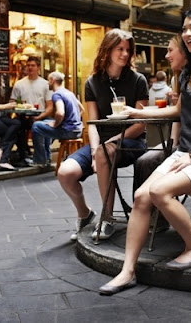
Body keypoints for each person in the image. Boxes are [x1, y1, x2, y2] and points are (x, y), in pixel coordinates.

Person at [98, 7, 191, 295]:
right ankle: (127, 271)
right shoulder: (188, 70)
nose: (187, 34)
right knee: (142, 195)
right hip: (186, 153)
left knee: (159, 192)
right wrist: (134, 112)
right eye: (185, 28)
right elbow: (178, 110)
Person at [57, 29, 149, 241]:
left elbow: (140, 125)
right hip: (101, 143)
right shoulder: (92, 82)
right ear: (107, 51)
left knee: (103, 153)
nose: (125, 54)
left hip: (131, 141)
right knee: (65, 173)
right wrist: (94, 149)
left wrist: (106, 145)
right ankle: (85, 214)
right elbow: (93, 123)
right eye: (120, 49)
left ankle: (107, 219)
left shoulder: (138, 80)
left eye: (128, 50)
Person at [133, 37, 187, 195]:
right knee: (142, 162)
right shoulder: (176, 79)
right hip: (179, 139)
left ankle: (152, 213)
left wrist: (138, 112)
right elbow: (176, 113)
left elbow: (178, 112)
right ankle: (146, 210)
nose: (166, 55)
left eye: (170, 50)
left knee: (145, 161)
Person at [30, 71, 83, 167]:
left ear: (53, 81)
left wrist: (56, 124)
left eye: (48, 80)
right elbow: (82, 109)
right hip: (77, 130)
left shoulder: (57, 94)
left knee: (36, 126)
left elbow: (60, 112)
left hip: (68, 131)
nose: (47, 83)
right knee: (45, 122)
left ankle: (40, 160)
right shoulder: (69, 92)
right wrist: (74, 120)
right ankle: (47, 156)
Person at [10, 56, 53, 165]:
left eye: (33, 65)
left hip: (42, 115)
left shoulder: (45, 85)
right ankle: (24, 154)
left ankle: (44, 156)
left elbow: (49, 107)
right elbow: (12, 102)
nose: (30, 68)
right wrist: (18, 109)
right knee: (14, 126)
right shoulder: (19, 84)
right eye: (28, 65)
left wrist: (40, 117)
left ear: (38, 67)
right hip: (23, 116)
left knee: (44, 125)